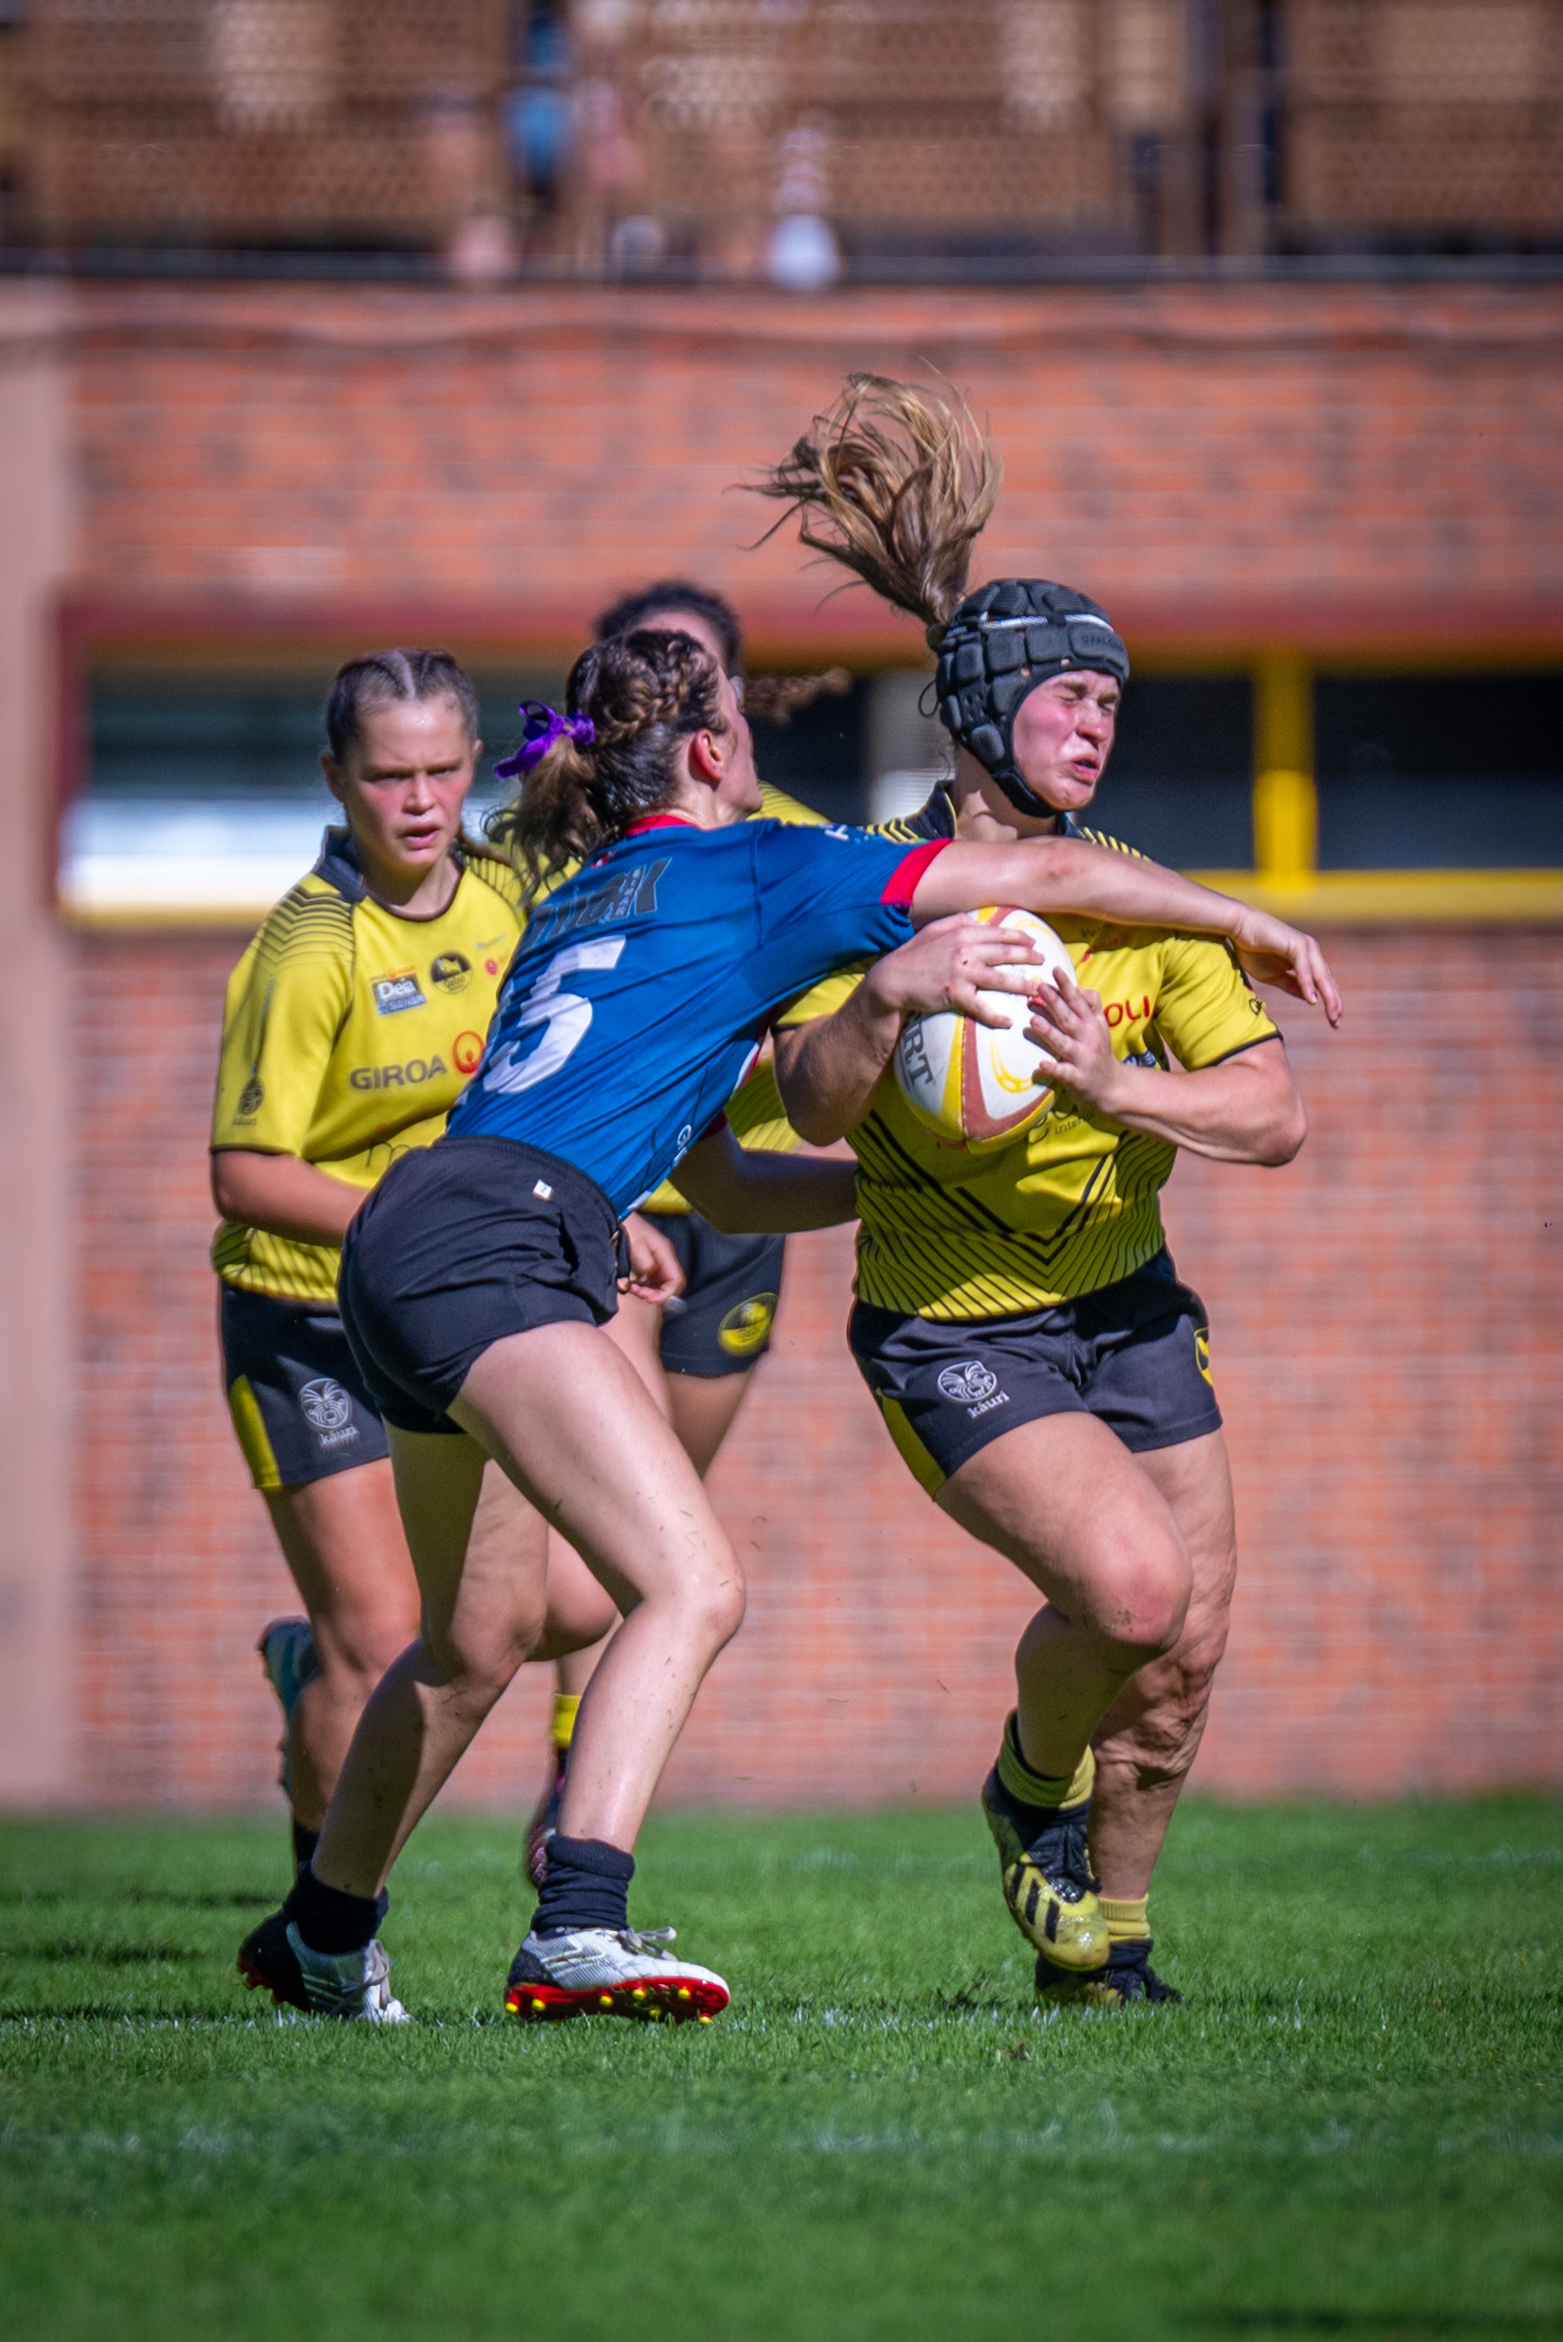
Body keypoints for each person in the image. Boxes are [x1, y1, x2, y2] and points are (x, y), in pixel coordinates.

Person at [232, 618, 1337, 2026]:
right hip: (504, 1243)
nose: (768, 772)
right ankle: (577, 1920)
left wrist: (881, 1190)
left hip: (410, 1229)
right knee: (692, 1582)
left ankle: (324, 1929)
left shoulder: (584, 898)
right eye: (749, 745)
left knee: (471, 1641)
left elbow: (728, 1180)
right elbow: (1049, 867)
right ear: (707, 755)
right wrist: (1246, 918)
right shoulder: (754, 862)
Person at [759, 375, 1341, 2006]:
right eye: (1069, 696)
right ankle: (1028, 1791)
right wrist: (887, 999)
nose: (1096, 726)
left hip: (1131, 1305)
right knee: (1130, 1590)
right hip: (957, 1324)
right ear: (986, 706)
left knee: (1188, 1640)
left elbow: (1269, 1112)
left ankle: (1110, 1954)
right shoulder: (863, 892)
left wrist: (1109, 1084)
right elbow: (806, 1109)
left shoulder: (1141, 903)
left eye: (1110, 704)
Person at [211, 649, 620, 1906]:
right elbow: (245, 1171)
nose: (421, 798)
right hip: (308, 1320)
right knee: (387, 1634)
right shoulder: (308, 948)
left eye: (445, 768)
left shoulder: (509, 890)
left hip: (450, 1307)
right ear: (337, 778)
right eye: (389, 774)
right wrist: (409, 1216)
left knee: (582, 1600)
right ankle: (332, 1924)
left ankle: (315, 1681)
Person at [522, 578, 831, 1888]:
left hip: (733, 1189)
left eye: (698, 674)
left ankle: (524, 1722)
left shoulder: (796, 840)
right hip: (613, 1204)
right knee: (638, 1545)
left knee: (651, 1515)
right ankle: (574, 1820)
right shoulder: (567, 852)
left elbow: (828, 1052)